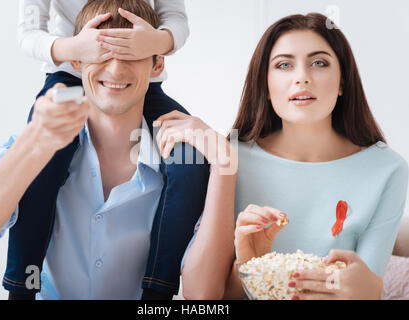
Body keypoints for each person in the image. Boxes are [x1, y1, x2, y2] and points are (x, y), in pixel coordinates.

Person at [0, 0, 218, 300]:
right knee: (43, 167)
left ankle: (157, 293)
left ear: (157, 64)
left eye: (129, 53)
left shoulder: (180, 152)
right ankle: (22, 287)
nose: (116, 67)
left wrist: (158, 40)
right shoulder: (40, 142)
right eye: (102, 53)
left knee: (191, 163)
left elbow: (206, 298)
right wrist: (35, 140)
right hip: (64, 67)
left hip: (144, 76)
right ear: (78, 62)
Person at [169, 13, 409, 300]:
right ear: (265, 86)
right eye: (284, 65)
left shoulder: (387, 170)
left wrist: (364, 288)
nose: (302, 77)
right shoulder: (227, 157)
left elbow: (367, 287)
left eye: (319, 63)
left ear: (342, 81)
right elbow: (206, 299)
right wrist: (248, 265)